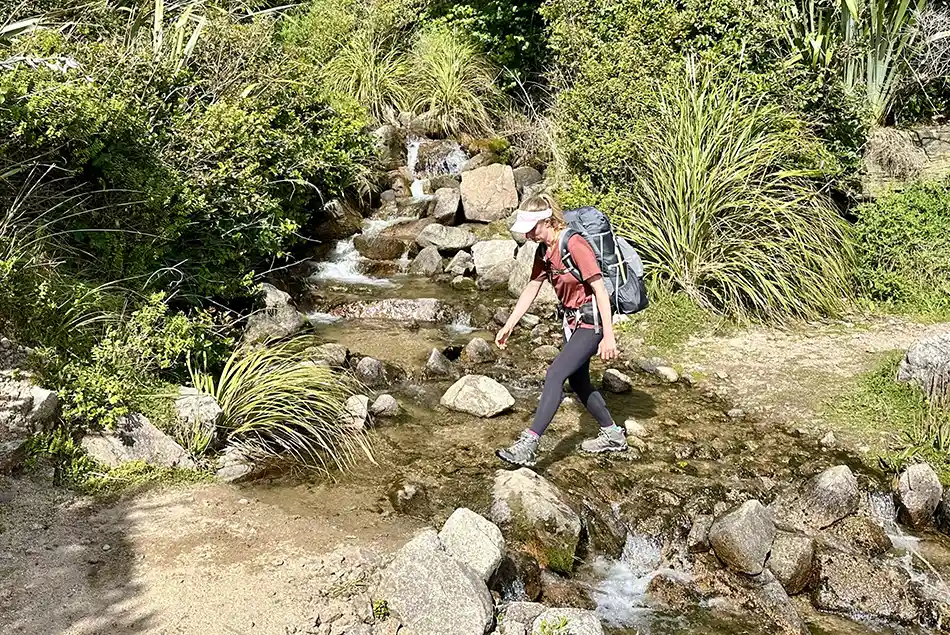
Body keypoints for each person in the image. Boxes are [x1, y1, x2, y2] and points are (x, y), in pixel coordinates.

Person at [495, 194, 627, 467]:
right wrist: (509, 325)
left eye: (531, 229)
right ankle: (613, 435)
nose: (528, 235)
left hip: (592, 322)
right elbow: (531, 288)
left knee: (554, 374)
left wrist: (609, 335)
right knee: (578, 382)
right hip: (572, 322)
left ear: (547, 222)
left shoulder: (574, 244)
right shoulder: (544, 251)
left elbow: (600, 290)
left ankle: (529, 444)